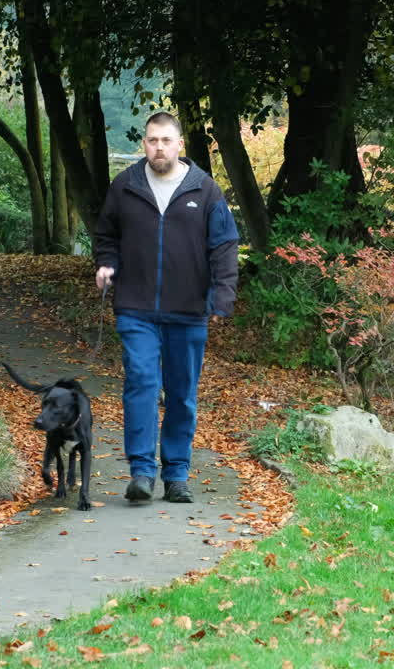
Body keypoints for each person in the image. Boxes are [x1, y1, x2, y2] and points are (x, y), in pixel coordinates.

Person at [93, 111, 239, 503]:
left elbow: (224, 247)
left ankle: (177, 475)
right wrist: (107, 265)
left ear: (180, 145)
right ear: (144, 144)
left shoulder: (206, 191)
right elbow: (106, 234)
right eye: (152, 140)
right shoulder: (125, 186)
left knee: (181, 393)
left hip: (188, 309)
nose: (159, 147)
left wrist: (221, 297)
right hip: (135, 307)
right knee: (140, 382)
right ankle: (142, 472)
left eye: (166, 141)